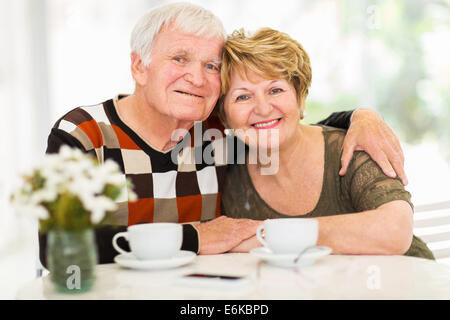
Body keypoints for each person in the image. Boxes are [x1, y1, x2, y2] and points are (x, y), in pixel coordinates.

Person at [39, 3, 410, 266]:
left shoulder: (214, 135)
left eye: (211, 65)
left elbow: (277, 125)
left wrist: (361, 115)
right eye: (179, 59)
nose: (197, 78)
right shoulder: (84, 134)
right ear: (140, 65)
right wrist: (197, 238)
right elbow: (58, 246)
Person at [219, 27, 434, 259]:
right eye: (243, 96)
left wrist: (271, 236)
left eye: (275, 90)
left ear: (299, 98)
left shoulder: (352, 146)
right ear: (223, 115)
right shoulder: (222, 169)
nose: (262, 108)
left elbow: (395, 231)